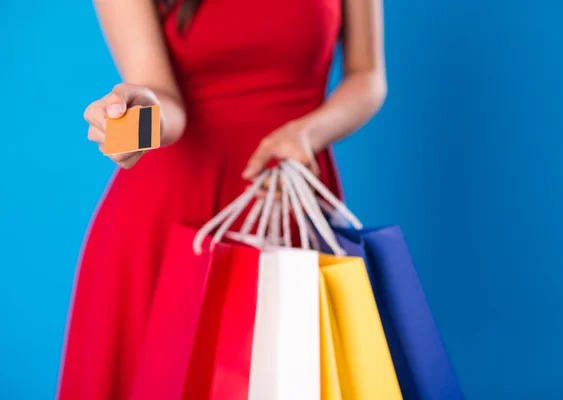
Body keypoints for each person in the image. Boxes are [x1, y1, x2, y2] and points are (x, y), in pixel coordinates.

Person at [58, 0, 386, 398]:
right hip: (170, 218)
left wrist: (307, 134)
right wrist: (139, 118)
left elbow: (367, 76)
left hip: (288, 204)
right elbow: (165, 100)